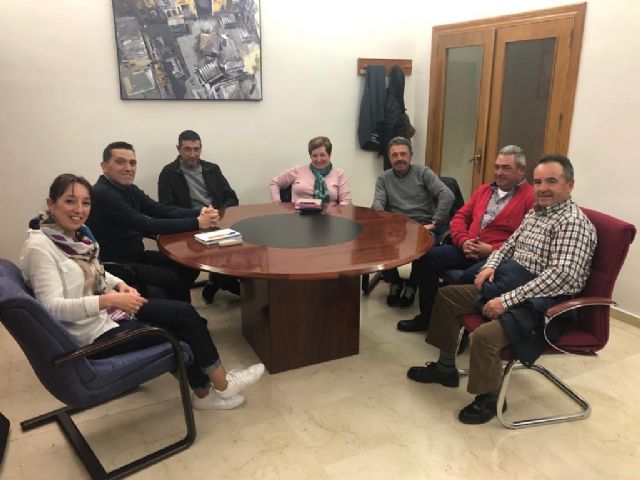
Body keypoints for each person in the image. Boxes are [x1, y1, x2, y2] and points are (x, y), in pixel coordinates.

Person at [20, 174, 264, 410]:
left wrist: (118, 284)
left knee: (185, 314)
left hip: (107, 312)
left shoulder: (76, 236)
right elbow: (52, 308)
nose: (79, 209)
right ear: (51, 204)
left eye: (85, 203)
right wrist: (108, 300)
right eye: (70, 201)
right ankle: (217, 388)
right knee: (179, 329)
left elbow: (96, 271)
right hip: (93, 334)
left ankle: (213, 389)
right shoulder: (40, 248)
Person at [406, 155, 597, 425]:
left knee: (485, 337)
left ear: (570, 185)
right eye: (538, 182)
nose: (543, 188)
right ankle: (445, 368)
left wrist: (506, 300)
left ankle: (490, 398)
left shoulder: (573, 223)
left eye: (552, 181)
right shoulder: (537, 212)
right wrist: (490, 266)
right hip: (513, 284)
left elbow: (562, 277)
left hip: (544, 305)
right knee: (448, 296)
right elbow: (509, 246)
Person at [397, 145, 535, 332]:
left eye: (506, 168)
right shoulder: (485, 190)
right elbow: (459, 217)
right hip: (467, 248)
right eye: (496, 167)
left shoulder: (531, 198)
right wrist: (463, 241)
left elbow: (525, 241)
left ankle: (458, 329)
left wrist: (492, 249)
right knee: (425, 257)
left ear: (521, 170)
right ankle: (427, 319)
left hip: (497, 258)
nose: (499, 173)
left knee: (467, 277)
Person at [87, 141, 219, 304]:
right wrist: (197, 222)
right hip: (118, 265)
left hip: (136, 255)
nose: (128, 168)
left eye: (132, 163)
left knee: (188, 264)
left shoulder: (128, 188)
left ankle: (178, 307)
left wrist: (199, 212)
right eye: (120, 162)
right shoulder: (103, 193)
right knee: (176, 277)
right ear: (105, 166)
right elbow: (147, 224)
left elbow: (159, 210)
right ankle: (178, 310)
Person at [158, 129, 240, 303]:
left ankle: (219, 280)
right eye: (187, 149)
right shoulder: (169, 173)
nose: (192, 154)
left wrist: (217, 212)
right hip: (189, 226)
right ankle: (222, 281)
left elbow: (231, 197)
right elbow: (166, 208)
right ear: (178, 149)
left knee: (240, 253)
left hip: (216, 221)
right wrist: (197, 217)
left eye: (196, 149)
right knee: (209, 260)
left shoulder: (212, 169)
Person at [372, 136, 454, 308]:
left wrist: (435, 221)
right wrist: (380, 220)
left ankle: (412, 284)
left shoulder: (423, 173)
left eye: (403, 154)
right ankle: (394, 281)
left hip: (422, 225)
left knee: (422, 245)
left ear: (411, 155)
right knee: (379, 241)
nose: (399, 158)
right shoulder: (384, 178)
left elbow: (447, 195)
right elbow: (378, 202)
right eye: (394, 155)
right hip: (396, 225)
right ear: (389, 158)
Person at [269, 136, 352, 205]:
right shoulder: (298, 170)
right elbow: (274, 182)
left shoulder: (339, 174)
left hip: (329, 217)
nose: (318, 159)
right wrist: (277, 204)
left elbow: (347, 201)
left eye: (322, 155)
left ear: (329, 155)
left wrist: (336, 210)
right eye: (314, 156)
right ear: (310, 156)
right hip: (298, 216)